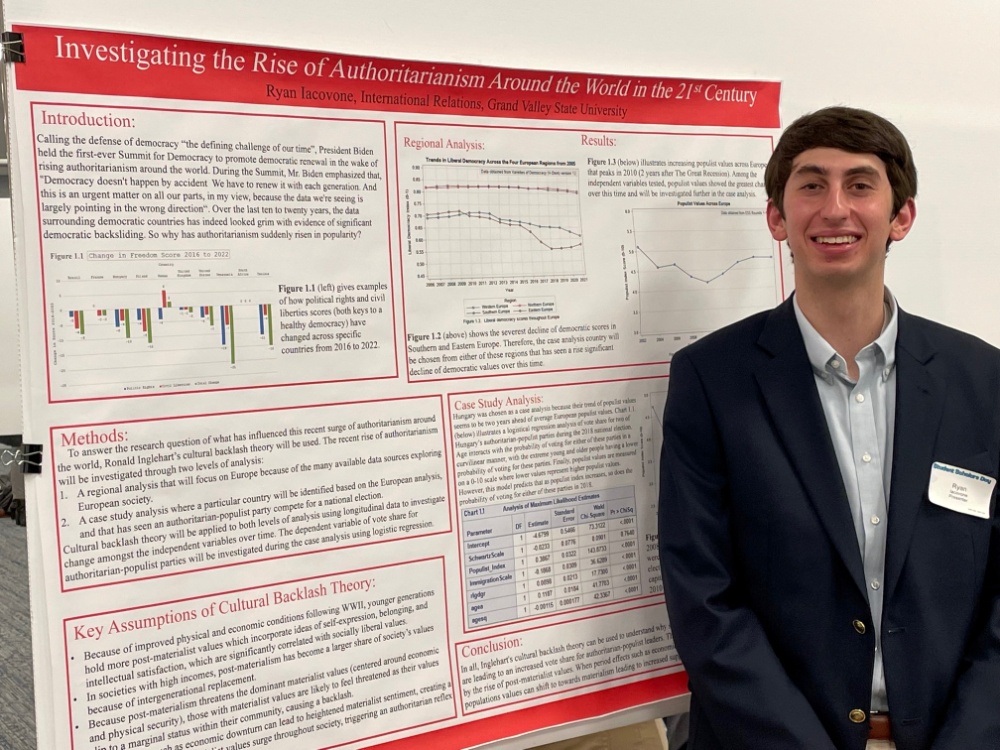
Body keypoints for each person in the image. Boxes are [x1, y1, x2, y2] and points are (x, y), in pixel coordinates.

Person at [657, 106, 1000, 750]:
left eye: (860, 184)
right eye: (811, 185)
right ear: (777, 217)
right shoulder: (712, 379)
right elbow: (704, 598)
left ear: (901, 216)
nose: (835, 208)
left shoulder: (983, 379)